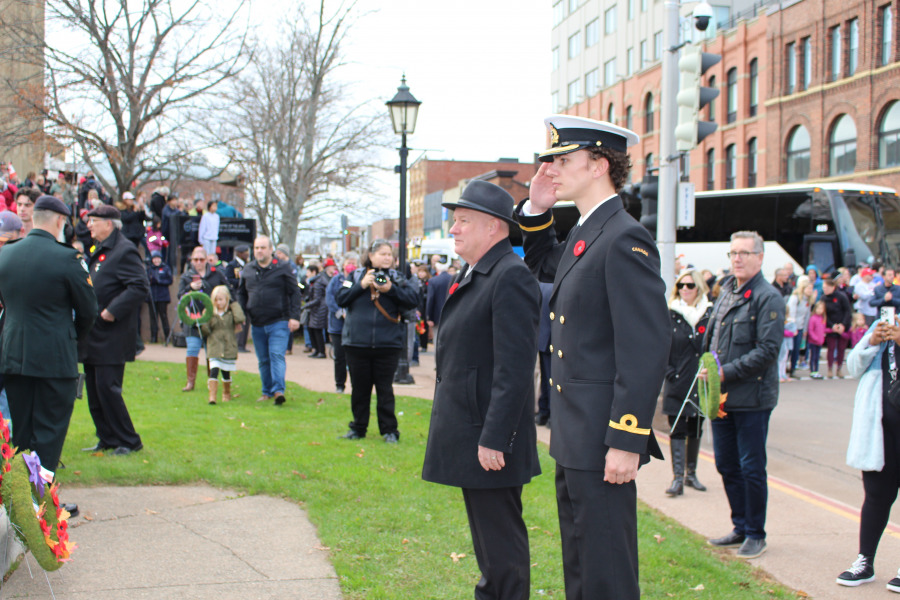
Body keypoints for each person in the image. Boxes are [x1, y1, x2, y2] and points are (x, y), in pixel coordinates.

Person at [514, 115, 669, 599]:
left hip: (604, 436)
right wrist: (537, 209)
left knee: (606, 568)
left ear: (599, 163)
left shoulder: (623, 236)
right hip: (577, 431)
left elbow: (644, 347)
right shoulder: (590, 229)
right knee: (581, 558)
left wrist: (627, 438)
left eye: (563, 160)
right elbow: (545, 266)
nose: (552, 170)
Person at [422, 180, 542, 600]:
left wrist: (495, 437)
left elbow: (515, 368)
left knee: (501, 548)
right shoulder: (479, 270)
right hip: (474, 428)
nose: (453, 229)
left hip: (490, 438)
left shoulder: (509, 276)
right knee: (491, 549)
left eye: (462, 221)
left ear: (493, 227)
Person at [0, 195, 97, 511]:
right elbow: (88, 312)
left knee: (24, 435)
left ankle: (24, 501)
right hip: (55, 361)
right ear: (59, 221)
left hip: (14, 357)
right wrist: (72, 341)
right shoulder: (67, 259)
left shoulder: (6, 256)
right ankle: (39, 505)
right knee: (50, 434)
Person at [701, 230, 784, 559]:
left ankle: (755, 533)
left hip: (752, 398)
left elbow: (767, 351)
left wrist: (723, 373)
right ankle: (739, 526)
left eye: (744, 253)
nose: (737, 258)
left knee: (751, 467)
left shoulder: (768, 297)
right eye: (733, 253)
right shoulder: (726, 292)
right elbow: (713, 338)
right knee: (726, 464)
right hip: (721, 397)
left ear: (760, 258)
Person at [78, 204, 149, 455]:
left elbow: (140, 286)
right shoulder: (101, 250)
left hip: (112, 336)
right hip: (94, 335)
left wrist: (112, 310)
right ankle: (106, 437)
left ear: (109, 223)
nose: (88, 225)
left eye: (93, 220)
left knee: (108, 389)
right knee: (95, 391)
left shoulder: (124, 250)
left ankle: (129, 440)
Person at [836, 315, 900, 590]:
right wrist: (872, 342)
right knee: (876, 495)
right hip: (879, 428)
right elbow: (853, 366)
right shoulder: (883, 325)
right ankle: (865, 561)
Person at [335, 240, 418, 442]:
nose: (387, 258)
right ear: (370, 256)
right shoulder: (355, 276)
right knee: (360, 390)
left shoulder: (398, 278)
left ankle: (389, 431)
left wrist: (391, 290)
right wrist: (362, 285)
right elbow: (340, 298)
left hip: (387, 343)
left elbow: (413, 300)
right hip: (357, 343)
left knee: (385, 390)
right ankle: (358, 428)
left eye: (389, 254)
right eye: (382, 254)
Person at [663, 270, 713, 497]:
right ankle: (677, 478)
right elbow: (660, 347)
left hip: (700, 381)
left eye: (690, 285)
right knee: (677, 429)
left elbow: (713, 347)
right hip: (677, 380)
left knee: (696, 427)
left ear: (699, 288)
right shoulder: (670, 313)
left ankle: (691, 474)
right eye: (681, 285)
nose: (684, 289)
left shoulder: (708, 314)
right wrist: (670, 373)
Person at [237, 236, 302, 405]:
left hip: (279, 321)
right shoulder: (248, 269)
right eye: (257, 247)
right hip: (257, 322)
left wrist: (295, 317)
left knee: (276, 355)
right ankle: (266, 391)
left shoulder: (283, 268)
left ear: (270, 249)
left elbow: (295, 292)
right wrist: (241, 314)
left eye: (263, 247)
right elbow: (241, 293)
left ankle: (278, 391)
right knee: (263, 359)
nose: (259, 251)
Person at [178, 246, 229, 391]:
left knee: (211, 351)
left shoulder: (216, 274)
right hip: (192, 320)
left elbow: (226, 291)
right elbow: (179, 296)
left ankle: (211, 381)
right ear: (191, 260)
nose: (198, 262)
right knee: (192, 348)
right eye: (195, 260)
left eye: (201, 259)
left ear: (207, 259)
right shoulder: (186, 276)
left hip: (211, 319)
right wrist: (190, 287)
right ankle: (190, 383)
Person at [200, 285, 245, 405]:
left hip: (228, 346)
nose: (218, 302)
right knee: (214, 369)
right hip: (214, 345)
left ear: (226, 299)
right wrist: (201, 324)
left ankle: (226, 393)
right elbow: (206, 331)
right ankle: (212, 396)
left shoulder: (231, 312)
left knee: (226, 372)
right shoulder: (210, 312)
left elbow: (240, 318)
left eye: (221, 299)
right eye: (216, 299)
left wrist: (234, 304)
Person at [326, 254, 358, 393]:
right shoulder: (335, 280)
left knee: (355, 358)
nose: (351, 265)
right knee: (339, 357)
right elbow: (330, 299)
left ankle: (356, 386)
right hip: (338, 326)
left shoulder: (359, 280)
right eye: (348, 262)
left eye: (353, 262)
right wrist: (340, 312)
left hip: (354, 326)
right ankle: (340, 385)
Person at [823, 276, 852, 378]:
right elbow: (823, 314)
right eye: (824, 288)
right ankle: (830, 368)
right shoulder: (824, 298)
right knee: (830, 348)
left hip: (842, 325)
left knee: (841, 348)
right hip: (831, 326)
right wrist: (832, 326)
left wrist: (843, 325)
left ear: (832, 287)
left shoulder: (841, 296)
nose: (825, 289)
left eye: (826, 287)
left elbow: (847, 311)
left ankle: (839, 368)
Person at [307, 259, 335, 359]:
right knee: (314, 329)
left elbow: (318, 298)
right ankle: (318, 350)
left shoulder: (323, 279)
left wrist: (306, 305)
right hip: (320, 307)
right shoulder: (322, 278)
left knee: (317, 329)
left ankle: (320, 351)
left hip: (321, 307)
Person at [787, 275, 815, 375]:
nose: (810, 290)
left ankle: (793, 369)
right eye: (808, 288)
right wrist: (793, 327)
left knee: (796, 349)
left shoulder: (808, 300)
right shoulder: (795, 298)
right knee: (789, 349)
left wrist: (805, 329)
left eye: (811, 288)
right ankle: (784, 367)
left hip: (800, 328)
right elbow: (792, 313)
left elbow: (807, 316)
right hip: (792, 328)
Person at [225, 244, 251, 352]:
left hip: (248, 295)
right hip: (237, 295)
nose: (247, 254)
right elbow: (229, 280)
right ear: (239, 253)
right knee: (240, 319)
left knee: (247, 320)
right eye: (245, 252)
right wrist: (242, 282)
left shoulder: (248, 265)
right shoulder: (232, 265)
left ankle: (242, 344)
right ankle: (238, 344)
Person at [146, 250, 173, 344]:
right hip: (152, 297)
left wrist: (160, 281)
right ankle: (154, 337)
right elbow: (146, 281)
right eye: (154, 258)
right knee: (153, 317)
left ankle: (167, 336)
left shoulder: (165, 268)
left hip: (163, 297)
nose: (156, 260)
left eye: (158, 258)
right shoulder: (149, 269)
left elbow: (169, 280)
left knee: (163, 316)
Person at [425, 260, 451, 336]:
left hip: (437, 317)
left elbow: (430, 300)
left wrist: (429, 317)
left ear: (437, 268)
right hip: (451, 316)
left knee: (437, 341)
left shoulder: (433, 281)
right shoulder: (453, 278)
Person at [808, 300, 827, 379]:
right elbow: (810, 330)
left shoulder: (823, 319)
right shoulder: (813, 318)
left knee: (817, 357)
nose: (819, 310)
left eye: (821, 309)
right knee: (813, 356)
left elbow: (824, 330)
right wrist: (815, 338)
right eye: (818, 308)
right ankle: (812, 371)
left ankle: (816, 370)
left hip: (820, 341)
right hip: (813, 342)